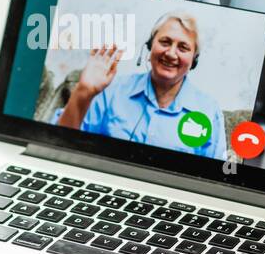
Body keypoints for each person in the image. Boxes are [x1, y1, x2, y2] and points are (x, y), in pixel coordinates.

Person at [54, 12, 225, 159]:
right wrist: (83, 92)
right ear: (150, 47)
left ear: (193, 60)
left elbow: (216, 176)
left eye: (183, 47)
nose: (171, 53)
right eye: (165, 42)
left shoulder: (209, 111)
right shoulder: (110, 90)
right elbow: (59, 144)